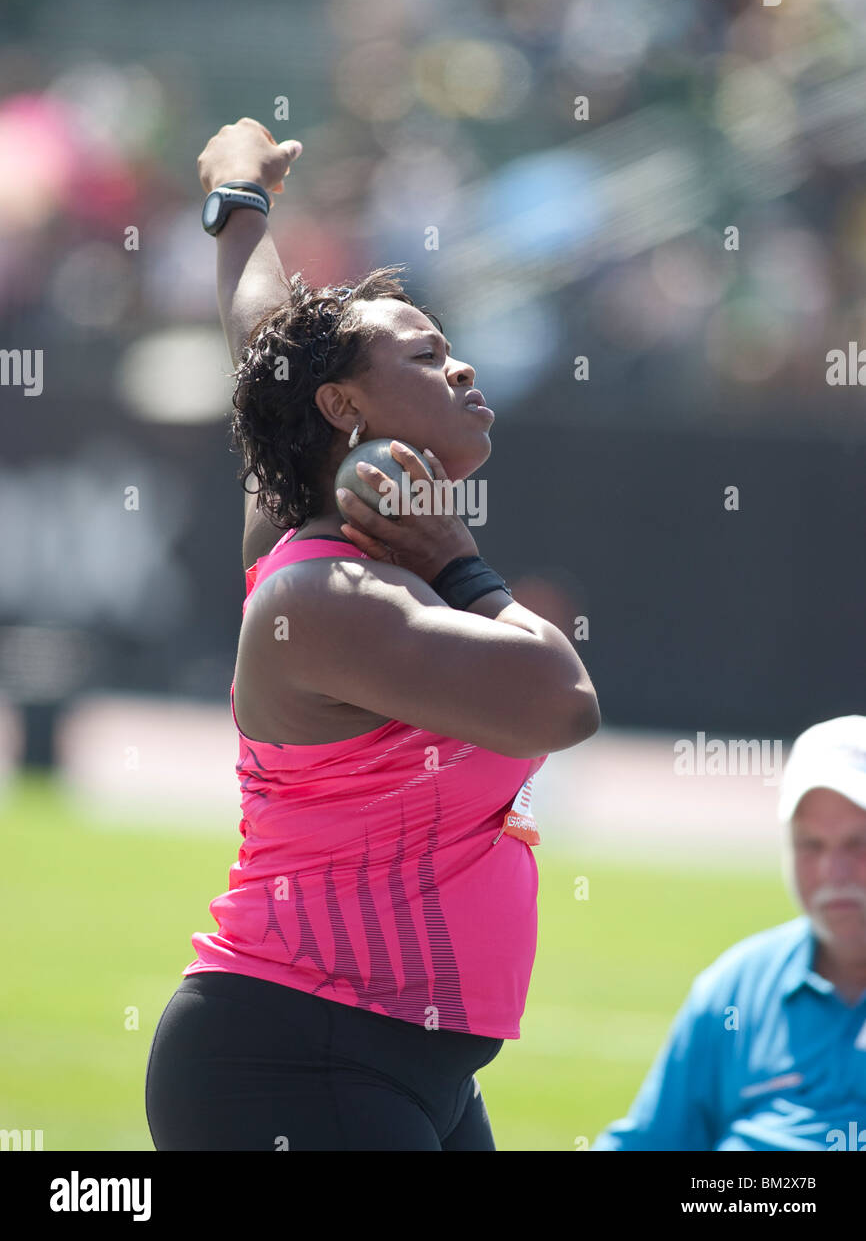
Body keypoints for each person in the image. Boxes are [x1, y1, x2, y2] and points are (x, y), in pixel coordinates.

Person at [144, 117, 600, 1151]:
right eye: (428, 355)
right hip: (296, 1058)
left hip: (405, 1062)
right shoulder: (335, 598)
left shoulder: (307, 518)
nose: (464, 369)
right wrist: (461, 566)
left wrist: (237, 200)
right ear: (343, 405)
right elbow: (561, 702)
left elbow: (261, 327)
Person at [592, 714, 866, 1152]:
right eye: (810, 844)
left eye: (859, 842)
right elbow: (649, 1142)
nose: (834, 872)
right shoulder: (738, 984)